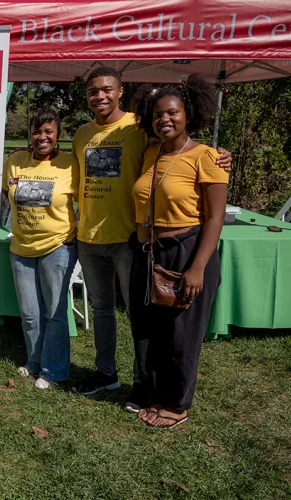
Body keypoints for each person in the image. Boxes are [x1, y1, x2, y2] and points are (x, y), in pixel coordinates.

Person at [71, 67, 231, 396]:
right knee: (109, 311)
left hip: (131, 240)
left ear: (120, 92)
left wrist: (221, 155)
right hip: (91, 238)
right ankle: (108, 376)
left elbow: (182, 147)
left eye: (106, 89)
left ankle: (148, 386)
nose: (99, 96)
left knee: (142, 317)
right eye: (93, 91)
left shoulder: (139, 126)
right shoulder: (82, 134)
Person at [128, 74, 227, 428]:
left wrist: (198, 267)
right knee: (149, 328)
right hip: (148, 250)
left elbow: (216, 217)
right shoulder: (151, 152)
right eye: (157, 115)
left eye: (172, 113)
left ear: (190, 114)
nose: (164, 120)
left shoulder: (207, 157)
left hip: (187, 250)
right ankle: (151, 391)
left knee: (181, 332)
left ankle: (176, 403)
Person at [3, 109, 79, 389]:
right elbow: (3, 195)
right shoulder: (14, 161)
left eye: (48, 131)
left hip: (57, 246)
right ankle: (34, 361)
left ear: (57, 135)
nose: (42, 137)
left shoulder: (70, 164)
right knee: (29, 311)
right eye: (37, 131)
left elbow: (86, 201)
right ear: (30, 134)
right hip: (21, 247)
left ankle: (54, 371)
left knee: (54, 313)